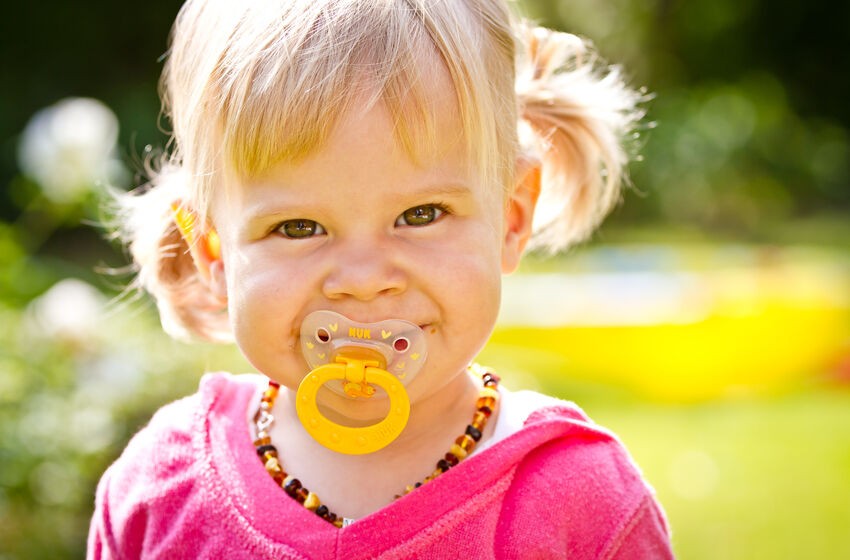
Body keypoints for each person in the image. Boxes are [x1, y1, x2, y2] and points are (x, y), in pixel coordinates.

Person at [87, 0, 675, 558]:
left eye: (420, 215)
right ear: (214, 253)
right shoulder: (160, 490)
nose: (364, 281)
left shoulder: (578, 500)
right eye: (298, 226)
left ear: (510, 218)